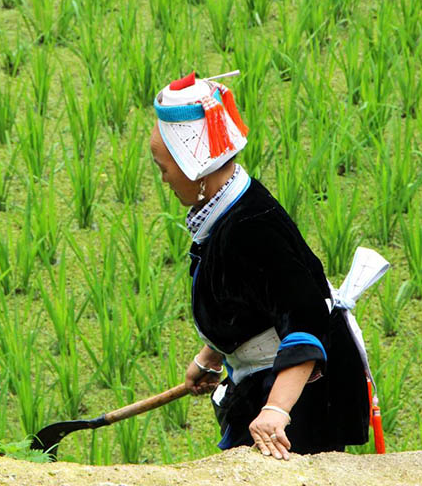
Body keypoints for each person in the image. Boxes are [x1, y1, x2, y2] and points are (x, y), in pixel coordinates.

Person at [150, 72, 370, 459]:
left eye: (164, 166)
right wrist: (212, 355)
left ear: (193, 169)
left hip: (302, 399)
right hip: (260, 380)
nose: (162, 178)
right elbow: (248, 300)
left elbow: (305, 317)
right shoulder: (226, 206)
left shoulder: (251, 229)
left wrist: (275, 411)